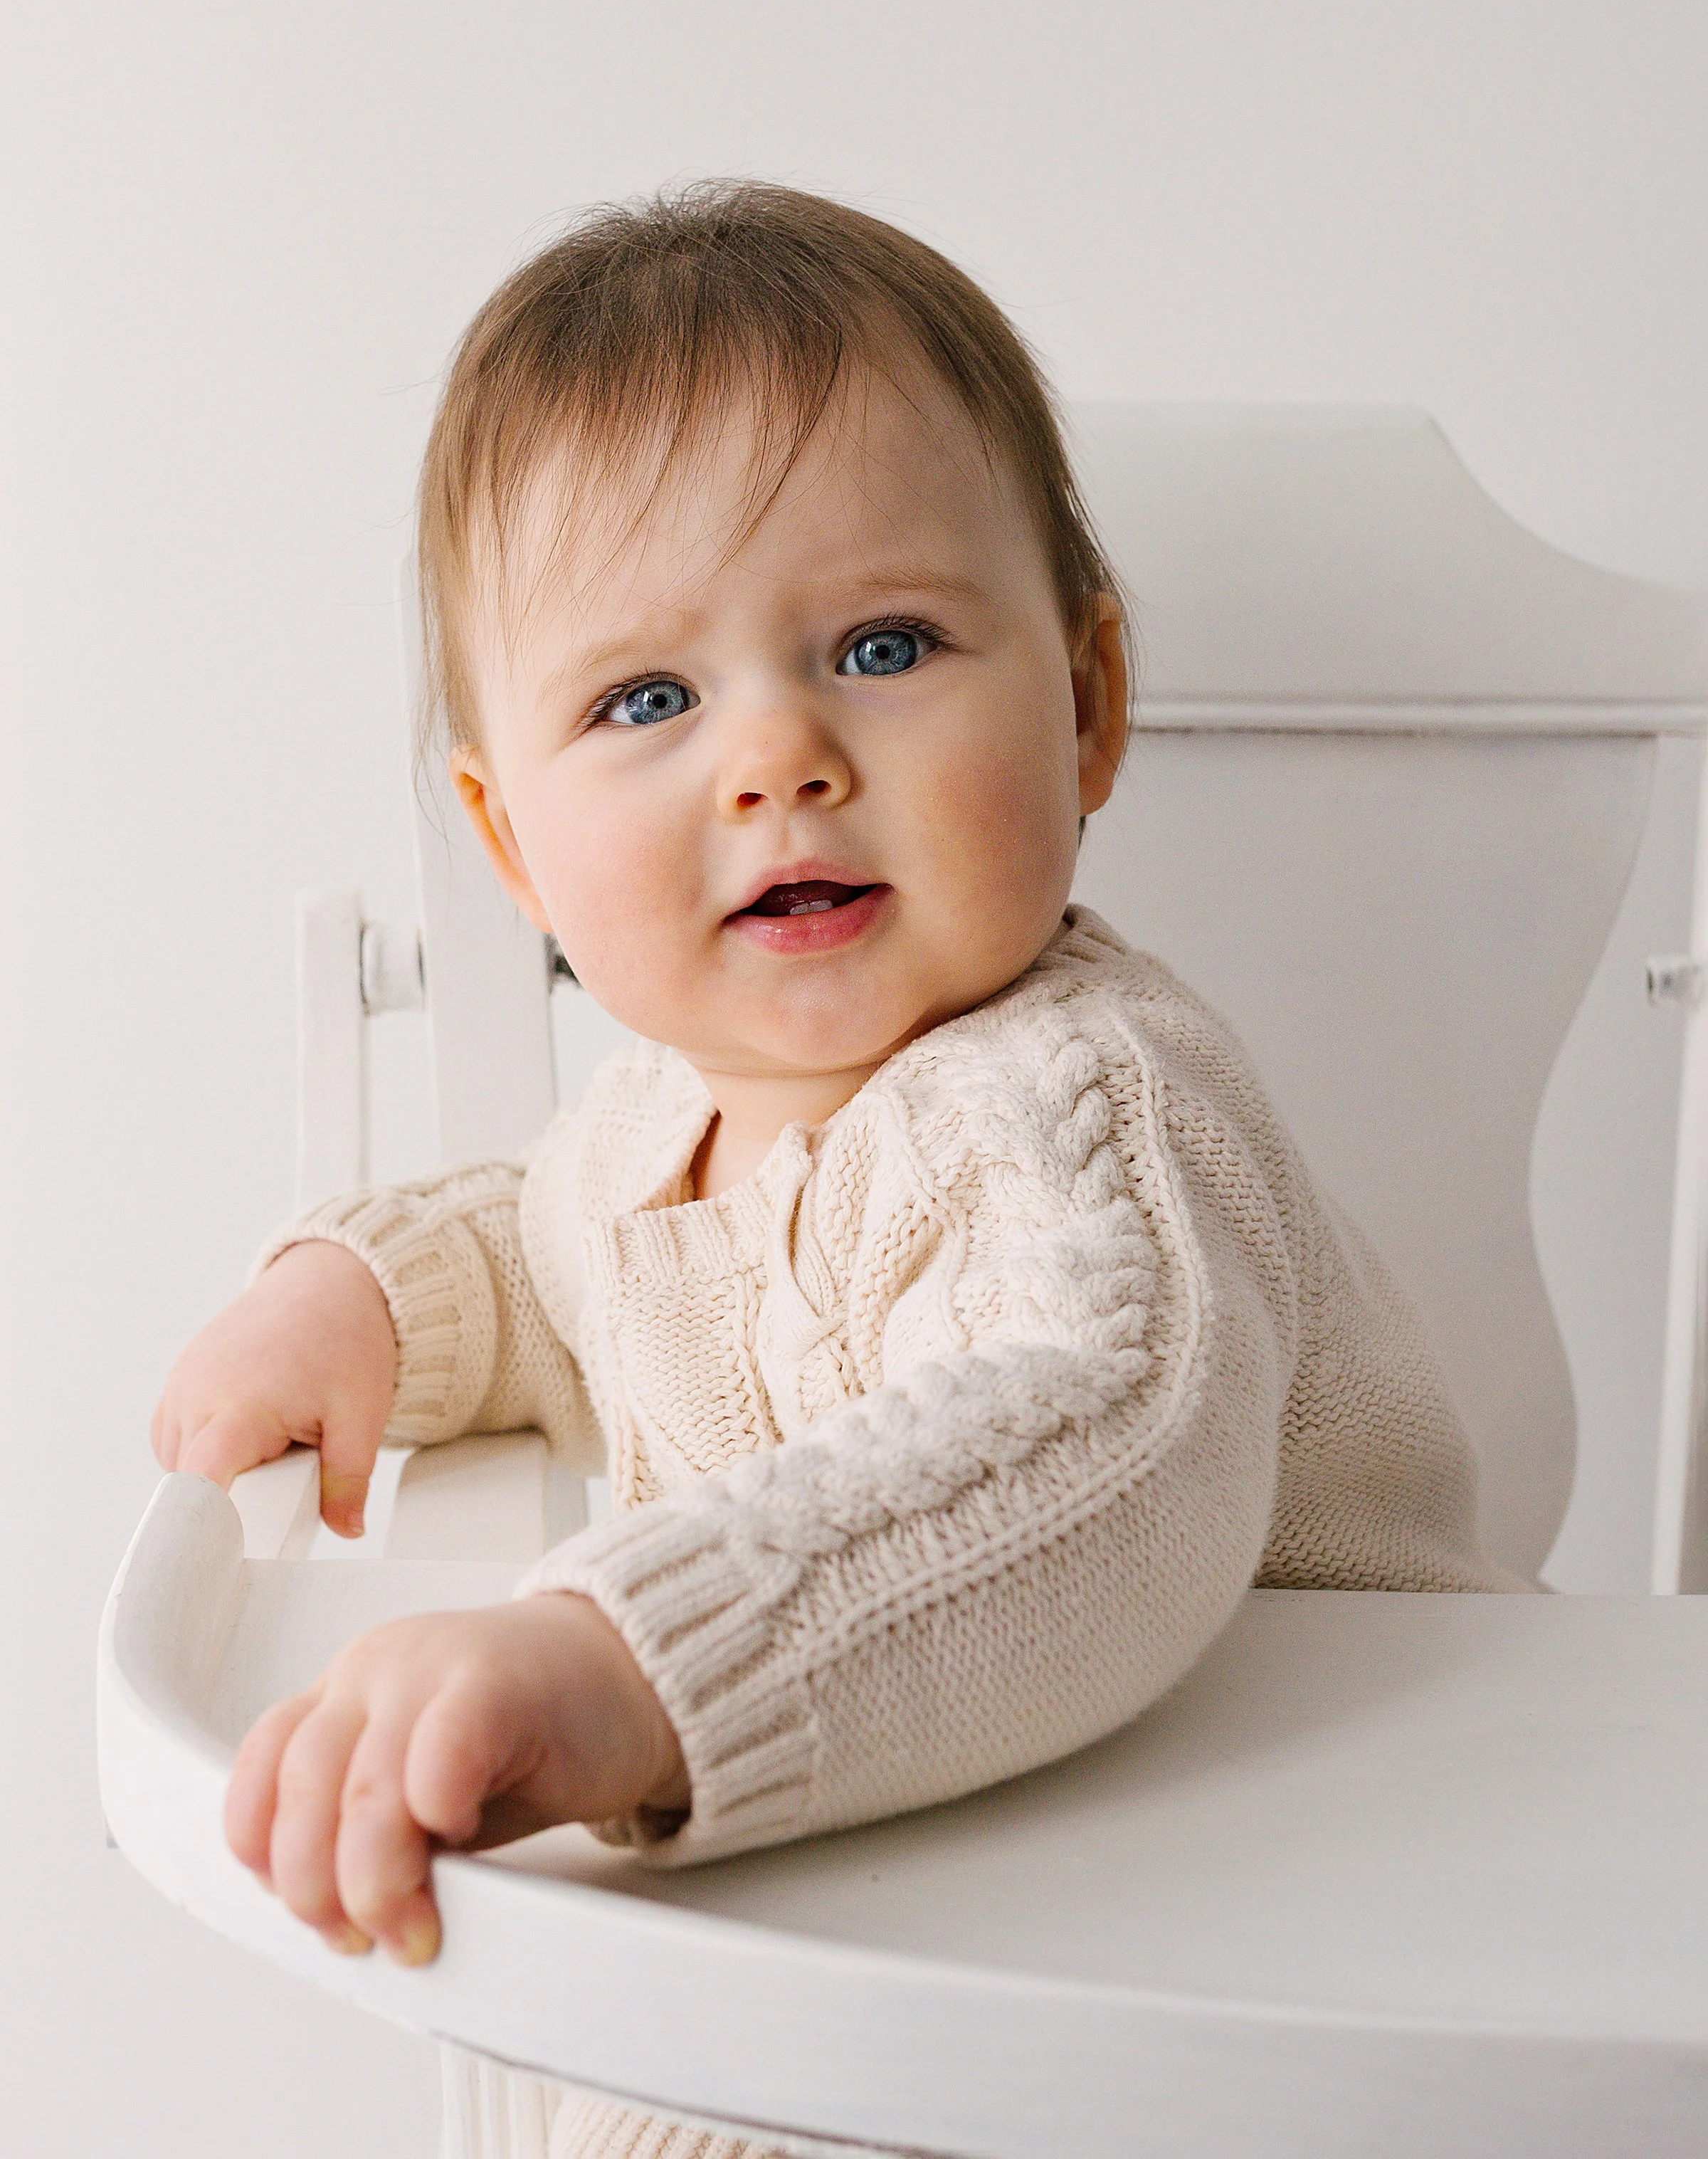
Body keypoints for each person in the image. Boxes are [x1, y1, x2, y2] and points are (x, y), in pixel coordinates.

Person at [152, 182, 1517, 2159]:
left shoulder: (1085, 1106)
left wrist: (618, 1657)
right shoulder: (651, 1123)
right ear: (516, 852)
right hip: (943, 1916)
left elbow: (1082, 1453)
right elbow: (554, 1261)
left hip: (1309, 1941)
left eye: (882, 644)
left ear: (1086, 702)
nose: (776, 753)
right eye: (646, 699)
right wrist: (367, 1296)